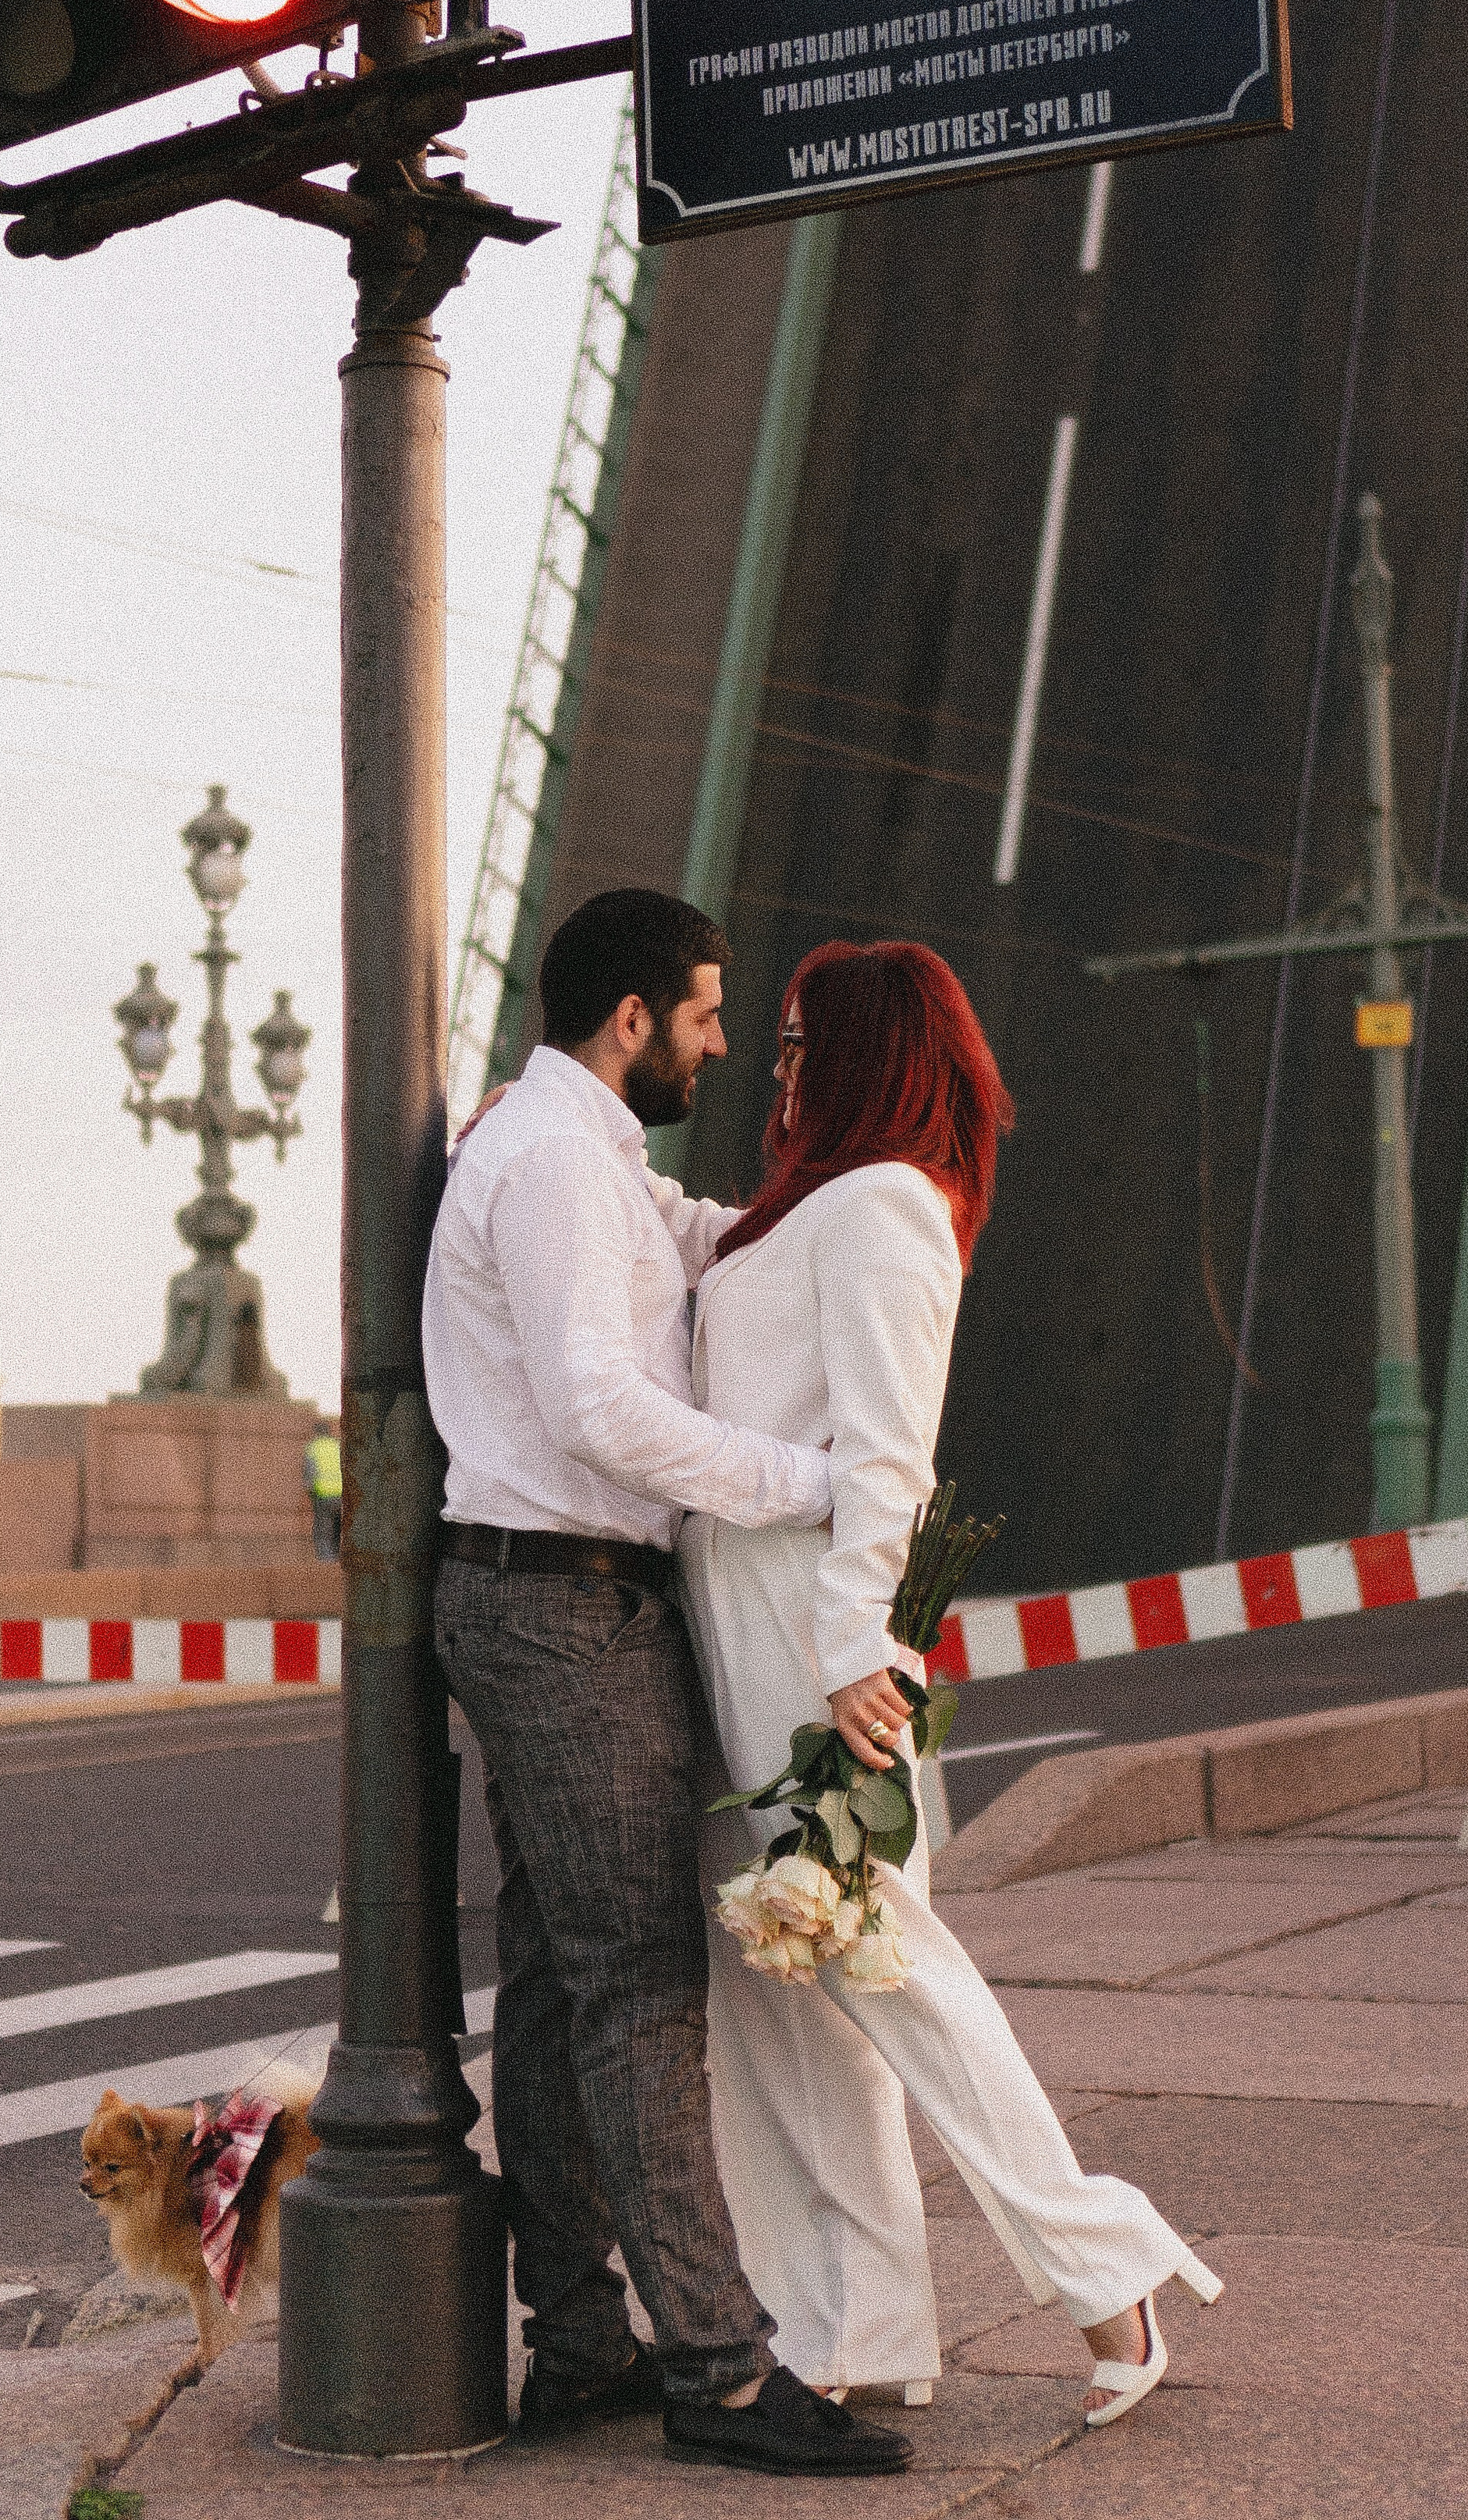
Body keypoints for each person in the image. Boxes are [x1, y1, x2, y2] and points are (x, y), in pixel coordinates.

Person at [678, 940, 1222, 2429]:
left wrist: (860, 1646)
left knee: (880, 1959)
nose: (776, 1064)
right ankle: (853, 2323)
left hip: (811, 1627)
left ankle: (1104, 2270)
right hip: (742, 1614)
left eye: (799, 1041)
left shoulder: (885, 1209)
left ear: (865, 1052)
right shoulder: (805, 1213)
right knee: (781, 1983)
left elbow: (890, 1451)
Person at [423, 888, 912, 2479]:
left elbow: (706, 1245)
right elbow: (591, 1407)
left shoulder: (592, 1159)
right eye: (705, 1016)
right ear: (631, 1020)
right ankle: (716, 2367)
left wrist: (824, 1205)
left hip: (546, 1602)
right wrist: (810, 1481)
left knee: (568, 1986)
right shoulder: (557, 1159)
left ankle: (577, 2342)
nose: (717, 1040)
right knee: (640, 1987)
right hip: (562, 1607)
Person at [303, 1420, 342, 1562]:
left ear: (316, 1432)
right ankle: (339, 1556)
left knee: (323, 1527)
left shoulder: (313, 1447)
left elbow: (310, 1473)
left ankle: (327, 1559)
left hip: (323, 1494)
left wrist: (309, 1490)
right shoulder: (337, 1445)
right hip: (342, 1495)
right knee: (339, 1526)